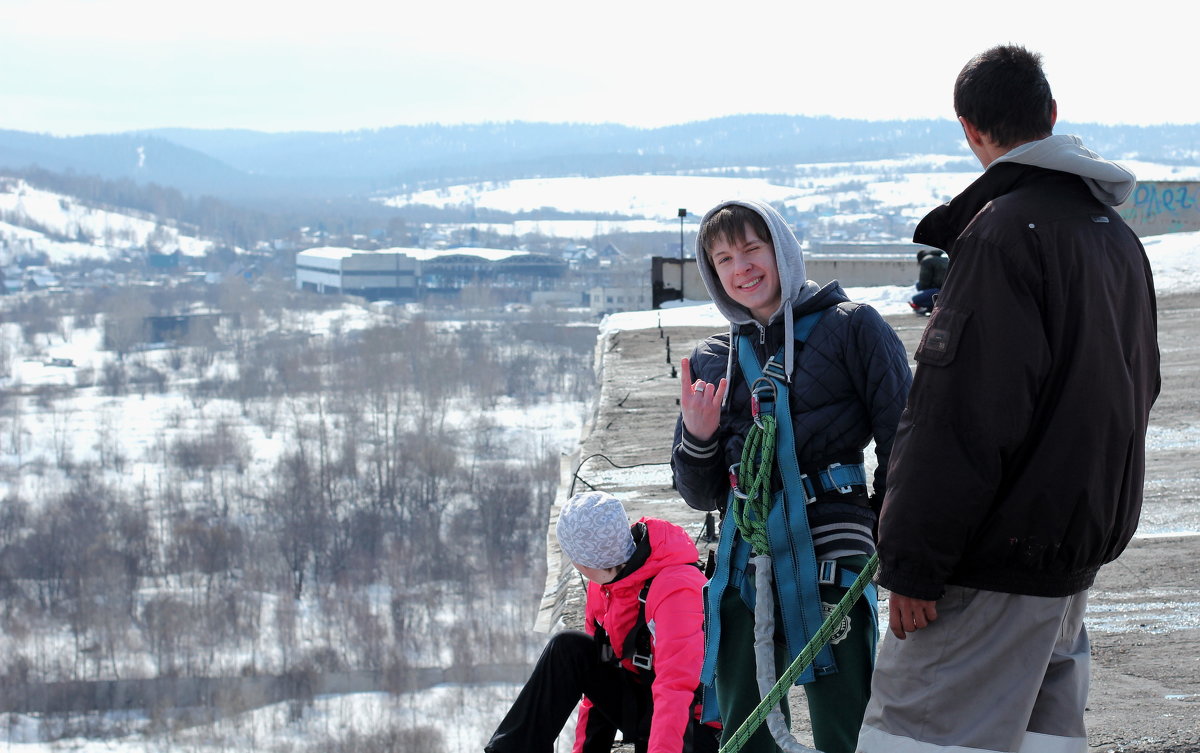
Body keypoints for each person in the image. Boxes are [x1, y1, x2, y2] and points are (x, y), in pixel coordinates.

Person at [856, 45, 1161, 753]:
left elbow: (958, 419)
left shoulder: (999, 235)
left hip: (987, 569)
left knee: (913, 739)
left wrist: (911, 563)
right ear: (1052, 115)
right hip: (1067, 565)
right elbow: (1136, 389)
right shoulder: (1116, 239)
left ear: (970, 130)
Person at [672, 198, 911, 753]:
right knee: (744, 720)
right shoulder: (713, 361)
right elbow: (699, 493)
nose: (741, 268)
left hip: (832, 540)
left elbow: (906, 442)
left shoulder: (853, 328)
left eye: (753, 249)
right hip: (743, 551)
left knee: (843, 717)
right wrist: (698, 436)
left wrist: (893, 542)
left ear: (781, 248)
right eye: (724, 258)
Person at [485, 490, 719, 753]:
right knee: (568, 649)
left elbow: (676, 687)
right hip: (646, 706)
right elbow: (599, 678)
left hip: (693, 723)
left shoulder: (675, 588)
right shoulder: (604, 586)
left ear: (581, 561)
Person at [908, 248, 946, 315]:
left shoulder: (927, 260)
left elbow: (924, 283)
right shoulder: (943, 259)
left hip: (939, 292)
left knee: (915, 298)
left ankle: (931, 308)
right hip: (949, 290)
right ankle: (933, 307)